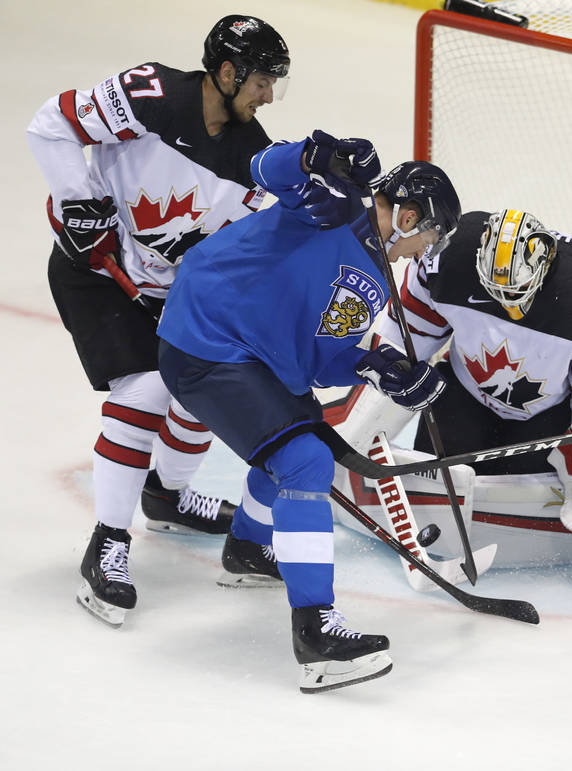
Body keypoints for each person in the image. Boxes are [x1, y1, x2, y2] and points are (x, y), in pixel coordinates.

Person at [157, 134, 462, 692]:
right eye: (429, 237)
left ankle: (248, 547)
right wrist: (312, 156)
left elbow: (323, 362)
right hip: (206, 338)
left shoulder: (374, 276)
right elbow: (264, 169)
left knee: (299, 443)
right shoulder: (334, 204)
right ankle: (316, 632)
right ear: (410, 214)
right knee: (303, 463)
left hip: (255, 358)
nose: (424, 252)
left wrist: (379, 367)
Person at [26, 15, 291, 627]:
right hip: (93, 274)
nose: (268, 96)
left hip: (165, 295)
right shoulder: (152, 95)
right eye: (261, 81)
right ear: (226, 73)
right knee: (146, 388)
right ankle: (109, 542)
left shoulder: (253, 157)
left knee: (203, 381)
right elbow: (52, 123)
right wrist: (78, 201)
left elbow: (248, 247)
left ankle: (167, 495)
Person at [333, 207, 572, 565]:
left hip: (547, 416)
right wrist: (395, 369)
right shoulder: (447, 256)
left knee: (520, 491)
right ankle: (340, 447)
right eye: (494, 293)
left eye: (516, 295)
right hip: (461, 396)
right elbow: (407, 336)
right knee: (437, 483)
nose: (507, 307)